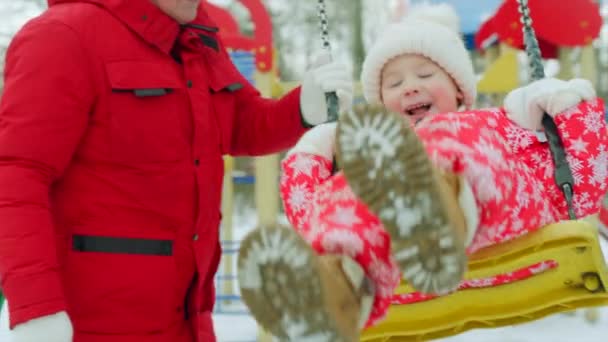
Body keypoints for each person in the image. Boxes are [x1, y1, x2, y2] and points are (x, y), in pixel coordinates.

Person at [236, 3, 608, 341]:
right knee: (349, 205)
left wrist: (566, 109)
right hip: (407, 275)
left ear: (461, 91)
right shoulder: (372, 164)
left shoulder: (493, 125)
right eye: (394, 84)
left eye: (425, 74)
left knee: (444, 142)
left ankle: (443, 200)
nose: (410, 86)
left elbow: (586, 181)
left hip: (508, 236)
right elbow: (312, 217)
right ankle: (333, 291)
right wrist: (314, 153)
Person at [0, 0, 353, 341]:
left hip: (187, 319)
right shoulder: (63, 36)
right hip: (93, 325)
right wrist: (36, 305)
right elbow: (16, 174)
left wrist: (302, 109)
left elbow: (240, 122)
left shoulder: (196, 40)